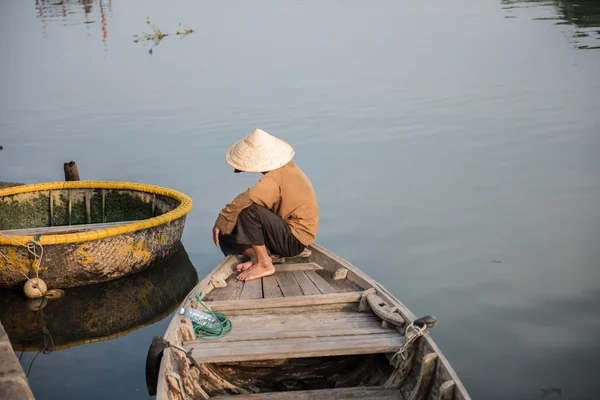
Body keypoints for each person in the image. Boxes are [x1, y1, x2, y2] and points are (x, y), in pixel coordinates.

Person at [212, 128, 319, 281]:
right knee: (225, 232)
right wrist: (224, 222)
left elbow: (249, 197)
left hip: (294, 240)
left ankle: (264, 263)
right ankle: (257, 256)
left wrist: (223, 216)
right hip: (281, 233)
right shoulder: (284, 168)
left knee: (248, 211)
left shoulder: (277, 175)